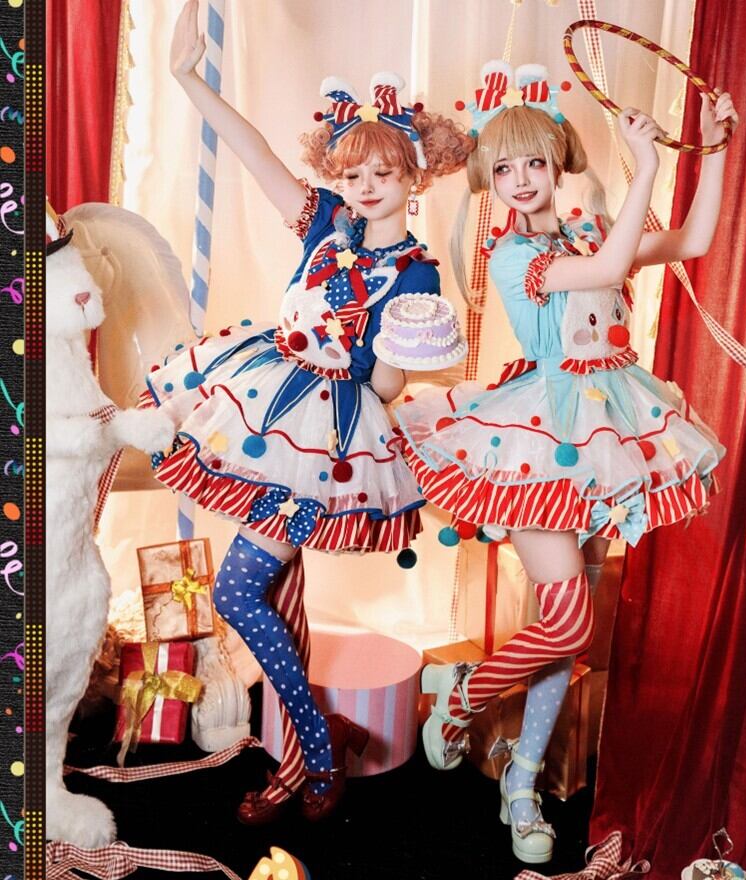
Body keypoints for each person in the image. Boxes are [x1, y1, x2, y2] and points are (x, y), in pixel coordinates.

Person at [397, 60, 738, 863]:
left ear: (558, 163)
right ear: (490, 179)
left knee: (565, 635)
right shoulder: (515, 257)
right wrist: (648, 164)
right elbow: (612, 270)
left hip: (608, 436)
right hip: (537, 442)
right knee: (570, 621)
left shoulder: (586, 232)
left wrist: (714, 148)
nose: (520, 179)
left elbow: (693, 241)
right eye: (503, 168)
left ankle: (521, 780)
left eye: (534, 162)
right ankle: (463, 697)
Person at [143, 0, 473, 825]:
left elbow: (387, 388)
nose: (365, 187)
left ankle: (316, 752)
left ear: (414, 177)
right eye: (353, 173)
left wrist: (375, 352)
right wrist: (186, 79)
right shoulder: (324, 220)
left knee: (237, 590)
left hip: (329, 437)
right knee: (266, 588)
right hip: (264, 397)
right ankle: (309, 748)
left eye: (383, 173)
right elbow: (253, 152)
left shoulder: (419, 275)